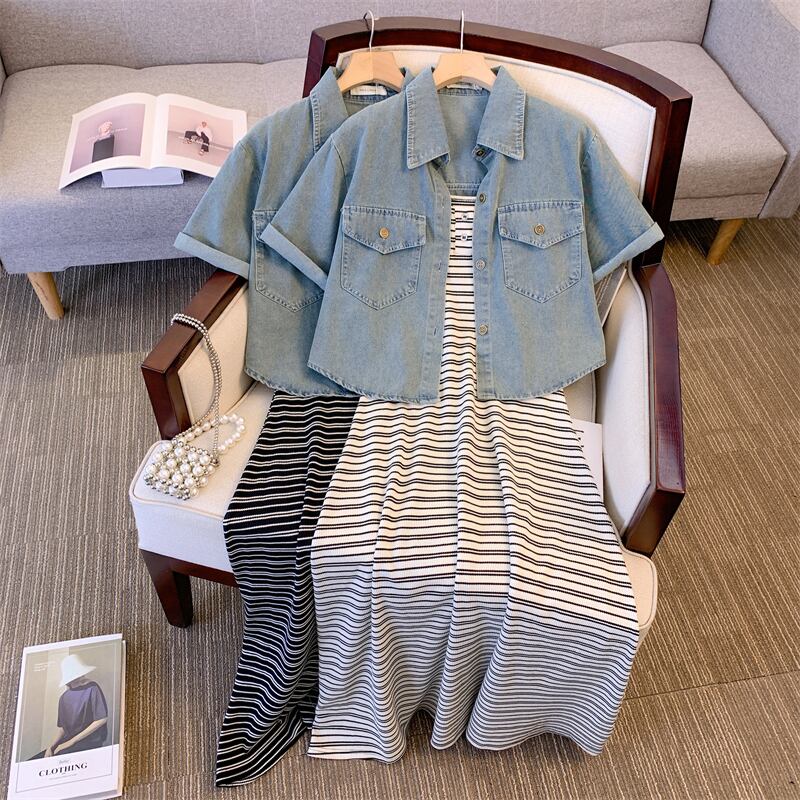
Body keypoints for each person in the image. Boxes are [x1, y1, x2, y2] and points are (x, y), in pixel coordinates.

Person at [29, 653, 108, 759]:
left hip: (89, 741)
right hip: (68, 742)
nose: (82, 677)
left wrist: (71, 742)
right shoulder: (63, 698)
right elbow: (63, 728)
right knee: (37, 759)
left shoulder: (92, 688)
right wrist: (51, 747)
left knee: (59, 757)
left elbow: (102, 719)